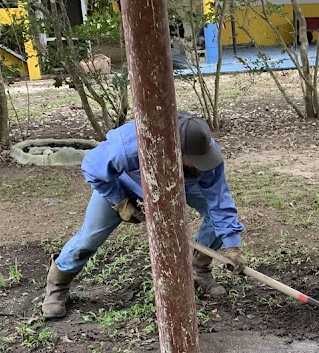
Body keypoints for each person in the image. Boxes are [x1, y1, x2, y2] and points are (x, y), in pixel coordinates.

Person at [42, 111, 246, 319]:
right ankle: (57, 287)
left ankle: (198, 270)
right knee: (90, 237)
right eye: (193, 159)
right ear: (173, 148)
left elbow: (219, 202)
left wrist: (232, 245)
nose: (199, 163)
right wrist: (120, 201)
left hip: (178, 183)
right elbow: (92, 168)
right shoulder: (128, 146)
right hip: (123, 182)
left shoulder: (206, 156)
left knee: (215, 219)